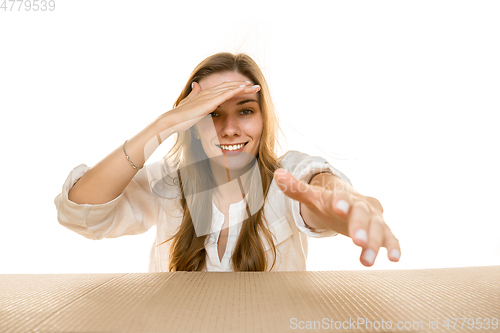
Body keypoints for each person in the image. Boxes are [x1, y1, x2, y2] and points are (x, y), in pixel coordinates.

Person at [54, 52, 400, 272]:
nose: (230, 129)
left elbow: (316, 187)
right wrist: (162, 126)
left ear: (263, 119)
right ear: (190, 122)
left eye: (245, 111)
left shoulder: (286, 179)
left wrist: (342, 202)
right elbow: (81, 213)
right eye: (211, 113)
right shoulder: (168, 185)